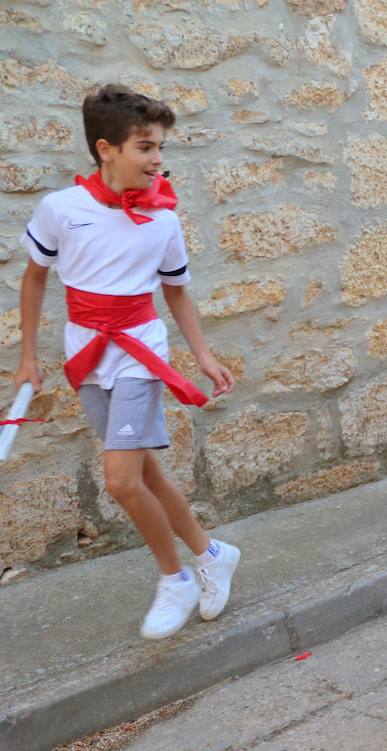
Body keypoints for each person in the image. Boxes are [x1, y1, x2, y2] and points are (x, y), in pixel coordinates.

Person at [13, 84, 239, 641]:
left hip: (139, 352)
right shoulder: (61, 210)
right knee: (143, 475)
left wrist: (204, 356)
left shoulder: (163, 218)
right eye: (145, 147)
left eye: (160, 147)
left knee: (119, 480)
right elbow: (35, 277)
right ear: (105, 148)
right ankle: (213, 554)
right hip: (86, 356)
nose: (157, 159)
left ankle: (175, 578)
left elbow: (177, 292)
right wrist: (26, 358)